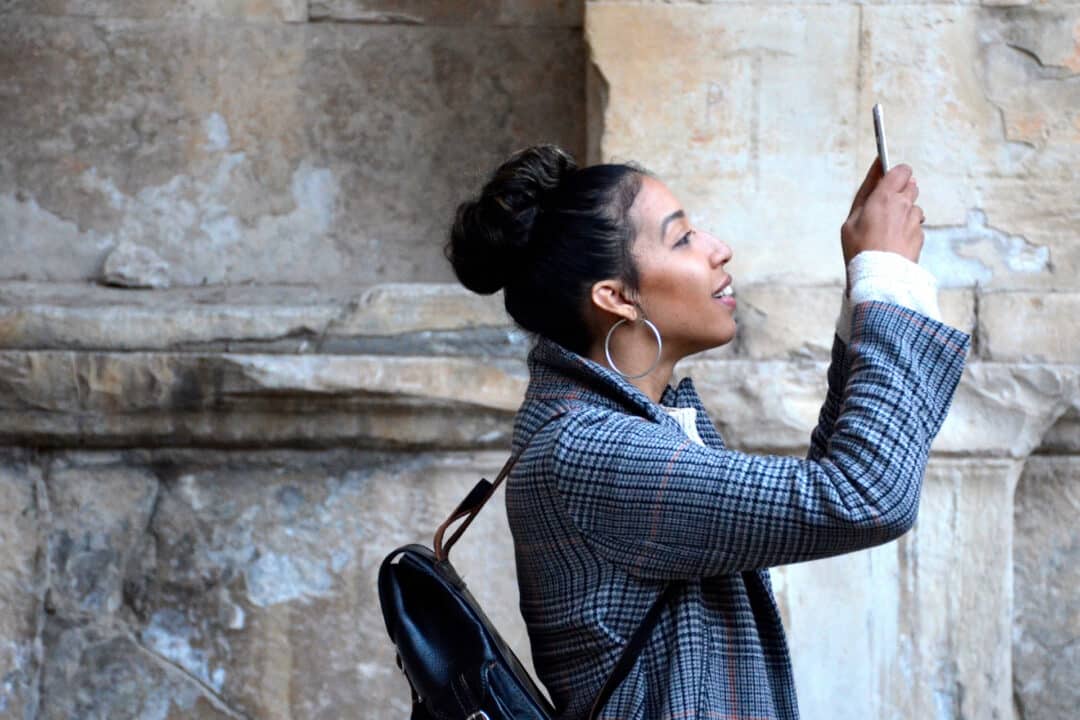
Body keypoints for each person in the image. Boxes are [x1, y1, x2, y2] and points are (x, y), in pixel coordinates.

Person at [444, 144, 970, 719]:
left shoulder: (624, 426)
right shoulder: (590, 449)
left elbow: (830, 487)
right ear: (616, 297)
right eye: (683, 237)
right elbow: (864, 495)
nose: (720, 249)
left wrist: (865, 285)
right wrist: (885, 276)